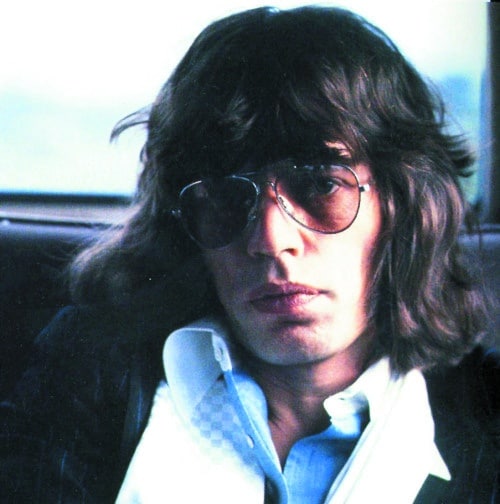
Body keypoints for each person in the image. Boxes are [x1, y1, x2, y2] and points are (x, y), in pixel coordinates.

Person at [1, 5, 498, 503]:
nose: (272, 240)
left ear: (401, 202)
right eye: (225, 197)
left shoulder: (486, 418)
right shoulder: (92, 371)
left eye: (322, 185)